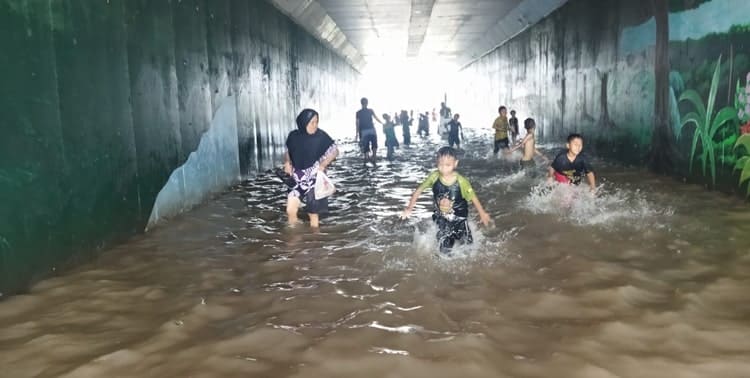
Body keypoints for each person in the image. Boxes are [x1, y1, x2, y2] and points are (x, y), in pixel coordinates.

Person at [401, 147, 491, 254]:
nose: (444, 168)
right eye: (440, 165)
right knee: (444, 249)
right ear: (436, 163)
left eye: (448, 165)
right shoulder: (434, 177)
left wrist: (482, 214)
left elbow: (473, 197)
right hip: (441, 218)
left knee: (469, 247)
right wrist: (409, 208)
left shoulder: (462, 182)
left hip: (460, 219)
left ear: (455, 163)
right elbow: (419, 190)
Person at [284, 109, 339, 228]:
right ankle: (294, 238)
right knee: (290, 210)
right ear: (303, 122)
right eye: (312, 122)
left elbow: (335, 151)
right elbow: (288, 152)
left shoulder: (321, 136)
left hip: (313, 177)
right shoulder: (293, 136)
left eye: (317, 122)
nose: (315, 125)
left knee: (313, 212)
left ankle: (314, 239)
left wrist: (323, 164)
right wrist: (287, 163)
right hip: (297, 177)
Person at [356, 97, 383, 164]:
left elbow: (357, 123)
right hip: (371, 129)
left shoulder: (358, 112)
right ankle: (374, 156)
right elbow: (376, 118)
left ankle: (366, 157)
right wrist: (383, 123)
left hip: (363, 131)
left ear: (361, 103)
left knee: (365, 145)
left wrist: (356, 133)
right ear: (367, 103)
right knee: (374, 143)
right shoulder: (370, 110)